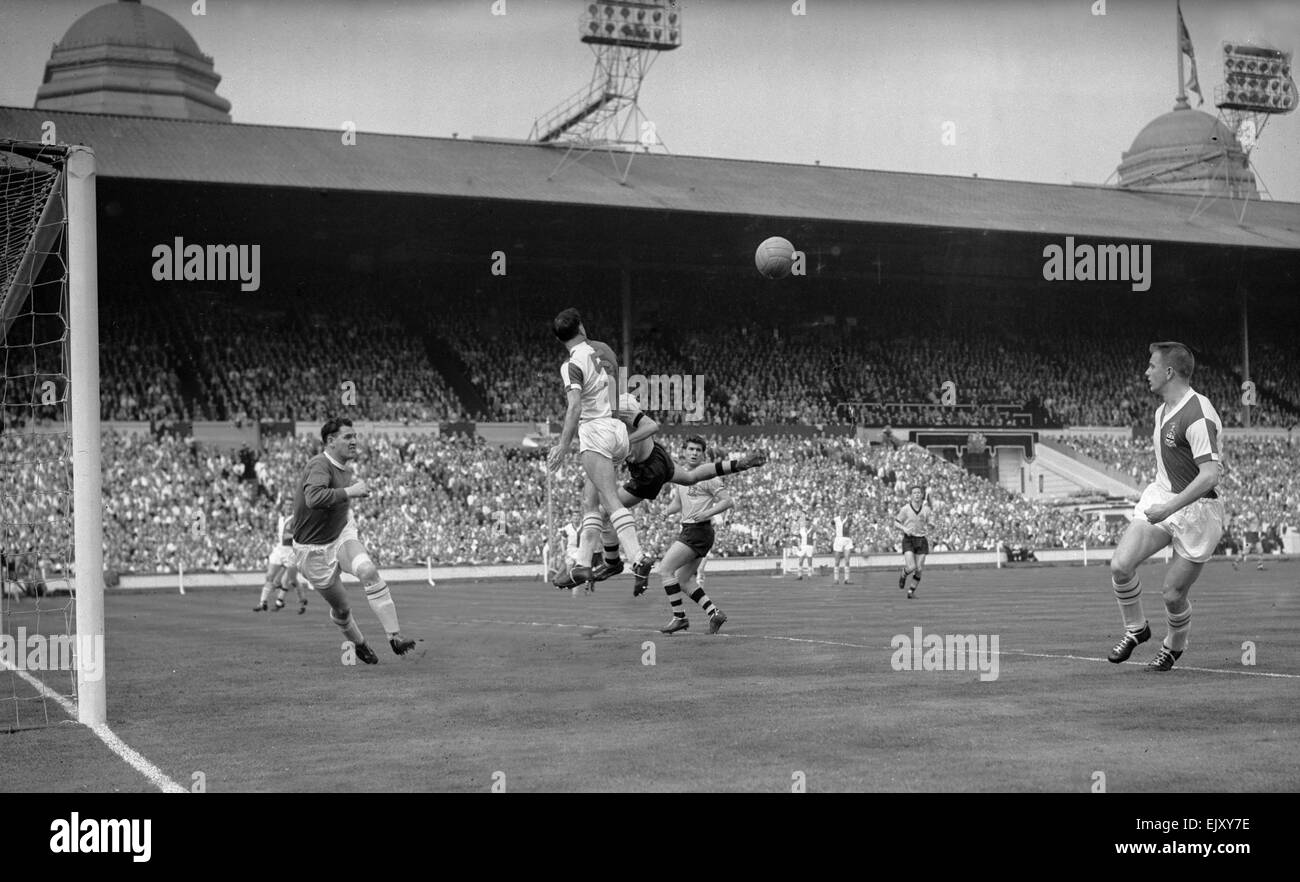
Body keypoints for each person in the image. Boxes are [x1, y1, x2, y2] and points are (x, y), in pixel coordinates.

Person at [1107, 342, 1224, 673]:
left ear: (1169, 371)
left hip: (1199, 510)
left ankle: (1174, 646)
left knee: (1172, 594)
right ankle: (1136, 629)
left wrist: (1169, 507)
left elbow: (1210, 476)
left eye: (1151, 365)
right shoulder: (1161, 412)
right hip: (1163, 496)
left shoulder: (1198, 414)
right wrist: (1163, 505)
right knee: (1120, 565)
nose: (1146, 372)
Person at [291, 418, 417, 664]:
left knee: (368, 570)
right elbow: (313, 498)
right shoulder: (320, 464)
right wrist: (351, 491)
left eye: (355, 436)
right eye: (347, 437)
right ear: (330, 441)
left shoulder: (343, 468)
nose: (354, 441)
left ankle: (395, 636)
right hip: (312, 552)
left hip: (340, 535)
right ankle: (359, 644)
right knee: (342, 609)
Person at [547, 313, 654, 588]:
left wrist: (562, 445)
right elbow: (617, 385)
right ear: (582, 327)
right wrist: (616, 420)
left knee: (609, 500)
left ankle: (637, 557)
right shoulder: (603, 348)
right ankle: (583, 564)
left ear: (560, 339)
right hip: (616, 429)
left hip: (595, 431)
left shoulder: (570, 365)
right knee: (590, 501)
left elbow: (575, 407)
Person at [657, 435, 731, 635]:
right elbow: (678, 503)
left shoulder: (709, 476)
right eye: (691, 449)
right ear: (683, 451)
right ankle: (714, 613)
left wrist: (707, 513)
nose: (694, 453)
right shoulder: (680, 476)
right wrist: (666, 511)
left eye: (698, 450)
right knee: (683, 579)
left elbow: (727, 501)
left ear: (703, 454)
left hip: (699, 530)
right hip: (692, 530)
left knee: (665, 570)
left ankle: (679, 618)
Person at [254, 498, 308, 613]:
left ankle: (302, 600)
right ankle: (262, 602)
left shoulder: (296, 519)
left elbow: (301, 535)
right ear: (283, 506)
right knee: (269, 576)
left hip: (291, 552)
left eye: (290, 505)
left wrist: (292, 536)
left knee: (291, 580)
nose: (288, 507)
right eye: (286, 505)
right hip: (279, 550)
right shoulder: (280, 518)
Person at [895, 484, 935, 599]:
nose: (917, 494)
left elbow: (931, 523)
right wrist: (905, 529)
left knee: (919, 569)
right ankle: (903, 574)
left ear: (922, 495)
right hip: (909, 539)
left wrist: (931, 526)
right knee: (911, 567)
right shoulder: (905, 509)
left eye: (919, 492)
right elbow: (896, 522)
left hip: (921, 539)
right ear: (911, 496)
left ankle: (911, 592)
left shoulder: (926, 509)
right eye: (914, 493)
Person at [832, 512, 855, 584]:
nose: (843, 511)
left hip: (847, 539)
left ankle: (846, 579)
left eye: (844, 510)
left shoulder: (849, 519)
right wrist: (835, 531)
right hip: (838, 539)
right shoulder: (836, 519)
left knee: (847, 560)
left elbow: (852, 526)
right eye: (842, 510)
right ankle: (836, 579)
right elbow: (830, 524)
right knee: (837, 561)